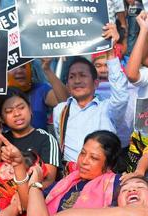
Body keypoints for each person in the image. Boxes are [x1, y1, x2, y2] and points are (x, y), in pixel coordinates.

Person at [52, 24, 128, 165]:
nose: (77, 80)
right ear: (67, 85)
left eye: (82, 75)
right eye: (72, 77)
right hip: (72, 180)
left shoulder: (107, 109)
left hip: (102, 178)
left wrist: (111, 54)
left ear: (96, 83)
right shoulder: (60, 111)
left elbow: (122, 97)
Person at [0, 88, 59, 187]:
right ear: (1, 118)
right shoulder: (1, 141)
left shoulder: (46, 139)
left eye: (21, 108)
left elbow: (49, 180)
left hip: (34, 196)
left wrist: (23, 195)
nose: (17, 114)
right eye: (9, 111)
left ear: (30, 110)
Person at [7, 59, 69, 131]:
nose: (19, 71)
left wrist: (47, 70)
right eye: (13, 67)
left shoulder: (41, 90)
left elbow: (66, 103)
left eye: (24, 67)